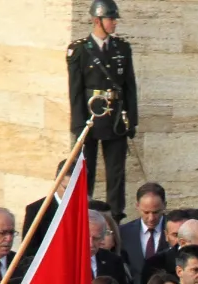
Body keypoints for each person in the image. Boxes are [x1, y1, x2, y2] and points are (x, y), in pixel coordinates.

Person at [67, 0, 137, 220]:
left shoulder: (122, 48)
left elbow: (129, 86)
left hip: (115, 117)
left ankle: (114, 215)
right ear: (97, 20)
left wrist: (131, 119)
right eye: (110, 19)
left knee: (116, 171)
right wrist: (78, 124)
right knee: (86, 169)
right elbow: (76, 91)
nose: (114, 23)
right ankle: (84, 211)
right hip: (90, 116)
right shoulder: (79, 50)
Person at [119, 183, 168, 284]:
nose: (151, 218)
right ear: (137, 206)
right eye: (146, 212)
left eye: (156, 212)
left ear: (164, 205)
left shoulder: (174, 231)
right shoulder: (124, 233)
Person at [22, 159, 72, 256]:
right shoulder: (37, 210)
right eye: (67, 188)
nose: (72, 193)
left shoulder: (89, 210)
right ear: (56, 182)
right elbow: (29, 251)